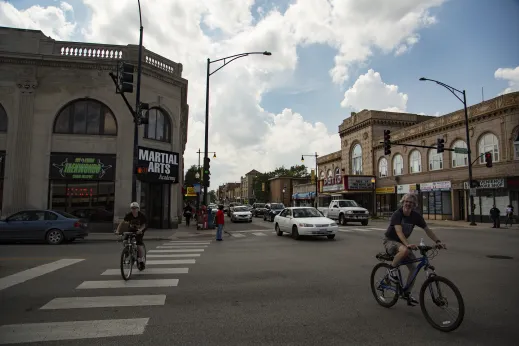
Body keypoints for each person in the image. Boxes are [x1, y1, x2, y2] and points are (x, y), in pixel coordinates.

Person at [383, 193, 446, 306]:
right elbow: (399, 232)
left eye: (411, 203)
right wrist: (407, 244)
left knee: (413, 268)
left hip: (402, 243)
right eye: (407, 201)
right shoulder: (397, 214)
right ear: (403, 202)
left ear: (414, 205)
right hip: (390, 241)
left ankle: (406, 293)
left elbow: (427, 230)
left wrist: (438, 242)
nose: (409, 204)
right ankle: (391, 271)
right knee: (405, 250)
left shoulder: (416, 216)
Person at [116, 202, 148, 267]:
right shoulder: (129, 215)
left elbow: (144, 225)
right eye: (132, 208)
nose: (134, 210)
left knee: (139, 244)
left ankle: (141, 260)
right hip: (130, 230)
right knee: (125, 241)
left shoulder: (141, 215)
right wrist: (118, 231)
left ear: (138, 209)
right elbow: (122, 223)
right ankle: (127, 251)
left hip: (139, 230)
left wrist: (140, 230)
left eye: (135, 208)